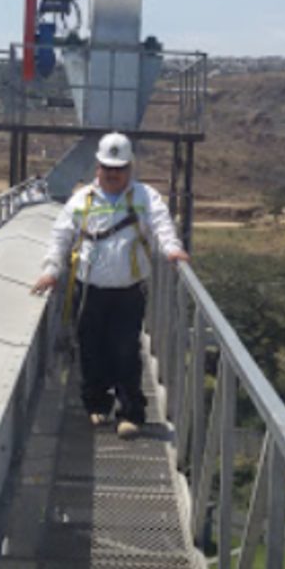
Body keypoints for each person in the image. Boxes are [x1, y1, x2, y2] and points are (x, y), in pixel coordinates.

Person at [31, 132, 190, 438]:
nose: (113, 174)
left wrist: (171, 249)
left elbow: (161, 225)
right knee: (92, 349)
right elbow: (60, 237)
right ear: (97, 168)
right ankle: (97, 406)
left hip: (128, 292)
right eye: (108, 167)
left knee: (125, 350)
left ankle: (131, 413)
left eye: (119, 168)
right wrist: (52, 270)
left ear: (130, 167)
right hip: (89, 290)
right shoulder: (81, 200)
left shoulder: (145, 197)